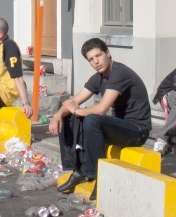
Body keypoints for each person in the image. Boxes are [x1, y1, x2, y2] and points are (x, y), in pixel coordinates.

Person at [49, 38, 152, 198]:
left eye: (98, 55)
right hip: (119, 127)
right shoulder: (99, 77)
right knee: (69, 116)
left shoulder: (119, 73)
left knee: (91, 118)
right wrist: (57, 116)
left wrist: (76, 110)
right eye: (91, 59)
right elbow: (74, 101)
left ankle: (99, 177)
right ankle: (79, 171)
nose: (96, 61)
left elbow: (102, 109)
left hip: (137, 130)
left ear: (108, 54)